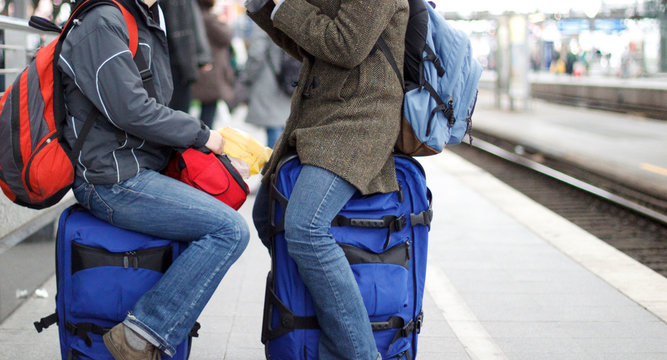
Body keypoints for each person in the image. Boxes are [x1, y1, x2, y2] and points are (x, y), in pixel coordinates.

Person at [57, 0, 249, 359]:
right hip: (110, 180)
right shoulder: (103, 22)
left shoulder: (140, 18)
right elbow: (131, 109)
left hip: (136, 168)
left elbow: (149, 106)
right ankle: (142, 333)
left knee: (224, 202)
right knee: (229, 230)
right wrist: (201, 135)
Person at [246, 1, 409, 359]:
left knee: (305, 229)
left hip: (359, 120)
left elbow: (347, 45)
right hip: (320, 116)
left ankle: (360, 352)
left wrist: (286, 4)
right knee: (266, 217)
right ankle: (315, 319)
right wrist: (263, 7)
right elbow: (308, 44)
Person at [242, 22, 291, 148]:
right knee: (282, 123)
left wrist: (247, 75)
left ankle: (274, 165)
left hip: (268, 78)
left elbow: (256, 52)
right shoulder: (288, 13)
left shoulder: (263, 17)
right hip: (289, 76)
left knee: (273, 126)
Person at [191, 0, 237, 128]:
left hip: (206, 70)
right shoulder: (209, 18)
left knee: (206, 109)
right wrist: (220, 18)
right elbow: (226, 35)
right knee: (208, 111)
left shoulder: (197, 15)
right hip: (211, 71)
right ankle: (205, 140)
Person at [161, 0, 211, 112]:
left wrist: (202, 56)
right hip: (170, 58)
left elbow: (194, 23)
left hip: (178, 61)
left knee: (177, 109)